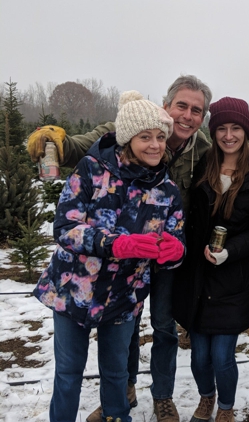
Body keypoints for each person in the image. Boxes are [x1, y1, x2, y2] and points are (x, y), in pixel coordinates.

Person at [27, 75, 212, 422]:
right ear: (128, 138)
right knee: (68, 373)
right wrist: (116, 244)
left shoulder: (167, 189)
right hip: (74, 290)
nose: (156, 145)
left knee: (115, 375)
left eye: (160, 137)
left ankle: (119, 415)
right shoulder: (92, 170)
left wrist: (177, 252)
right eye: (146, 137)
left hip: (124, 296)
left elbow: (176, 238)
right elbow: (65, 227)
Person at [173, 97, 249, 422]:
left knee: (221, 355)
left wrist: (230, 251)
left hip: (233, 278)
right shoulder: (204, 165)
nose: (228, 135)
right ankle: (206, 398)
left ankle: (226, 408)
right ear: (213, 131)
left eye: (235, 128)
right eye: (221, 128)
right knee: (199, 356)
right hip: (198, 276)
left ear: (246, 131)